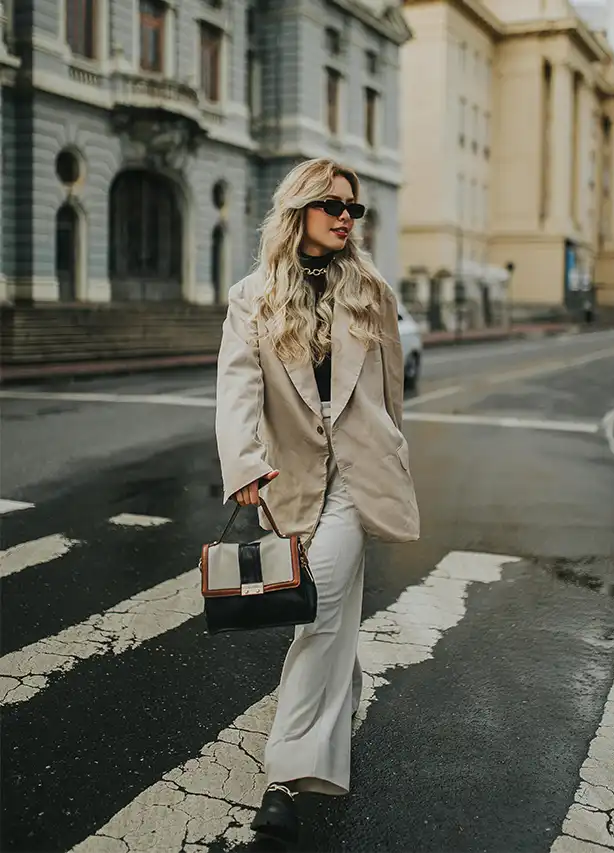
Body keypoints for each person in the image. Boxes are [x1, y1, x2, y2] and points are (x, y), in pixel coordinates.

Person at [215, 157, 420, 843]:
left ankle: (284, 775)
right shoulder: (254, 296)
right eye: (331, 204)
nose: (344, 217)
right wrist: (243, 462)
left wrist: (395, 459)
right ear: (299, 208)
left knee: (322, 601)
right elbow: (238, 385)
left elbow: (391, 394)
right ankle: (347, 686)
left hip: (355, 479)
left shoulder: (372, 292)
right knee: (329, 610)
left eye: (352, 209)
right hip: (292, 479)